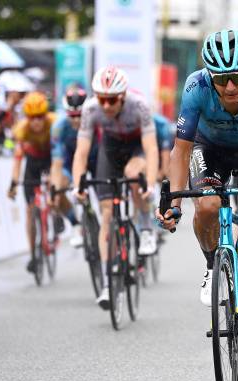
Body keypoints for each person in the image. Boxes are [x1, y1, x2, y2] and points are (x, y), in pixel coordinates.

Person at [156, 29, 238, 381]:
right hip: (209, 149)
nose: (230, 88)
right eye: (221, 79)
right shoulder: (195, 87)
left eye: (237, 77)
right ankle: (212, 263)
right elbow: (181, 151)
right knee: (209, 205)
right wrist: (174, 201)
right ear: (209, 76)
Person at [73, 66, 159, 310]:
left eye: (112, 100)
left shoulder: (139, 105)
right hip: (110, 150)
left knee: (134, 175)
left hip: (136, 148)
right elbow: (82, 151)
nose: (106, 105)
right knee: (107, 213)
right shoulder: (90, 110)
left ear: (122, 96)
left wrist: (150, 184)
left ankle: (145, 228)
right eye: (102, 99)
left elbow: (151, 148)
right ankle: (107, 285)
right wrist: (78, 183)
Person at [7, 92, 57, 273]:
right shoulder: (22, 130)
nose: (36, 122)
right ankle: (33, 255)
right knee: (30, 211)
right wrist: (13, 183)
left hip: (50, 160)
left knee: (54, 191)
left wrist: (54, 176)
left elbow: (59, 156)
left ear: (45, 115)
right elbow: (18, 160)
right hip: (32, 166)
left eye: (40, 117)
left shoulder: (54, 125)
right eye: (32, 118)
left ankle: (55, 214)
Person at [50, 88, 97, 248]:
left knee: (107, 195)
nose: (76, 121)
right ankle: (76, 224)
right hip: (70, 162)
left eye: (80, 116)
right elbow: (57, 162)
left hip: (95, 159)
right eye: (72, 116)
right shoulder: (59, 127)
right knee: (58, 186)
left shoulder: (97, 122)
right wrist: (55, 189)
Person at [153, 113, 174, 179]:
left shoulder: (162, 127)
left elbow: (165, 152)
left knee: (165, 171)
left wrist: (163, 172)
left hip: (166, 132)